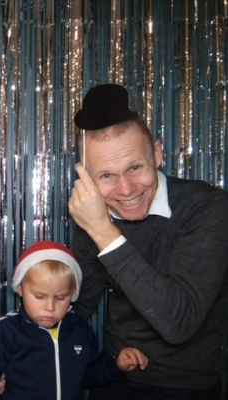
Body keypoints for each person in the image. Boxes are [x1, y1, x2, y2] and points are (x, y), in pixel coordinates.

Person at [68, 83, 228, 399]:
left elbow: (178, 322)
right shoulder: (94, 218)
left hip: (187, 388)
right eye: (107, 175)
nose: (126, 189)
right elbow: (77, 306)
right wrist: (18, 350)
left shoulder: (208, 208)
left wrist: (103, 231)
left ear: (156, 154)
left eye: (135, 167)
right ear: (87, 177)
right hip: (113, 377)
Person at [0, 240, 148, 400]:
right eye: (40, 296)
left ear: (73, 295)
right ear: (20, 289)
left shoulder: (79, 329)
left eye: (61, 298)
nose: (50, 307)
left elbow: (88, 376)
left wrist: (116, 365)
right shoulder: (9, 329)